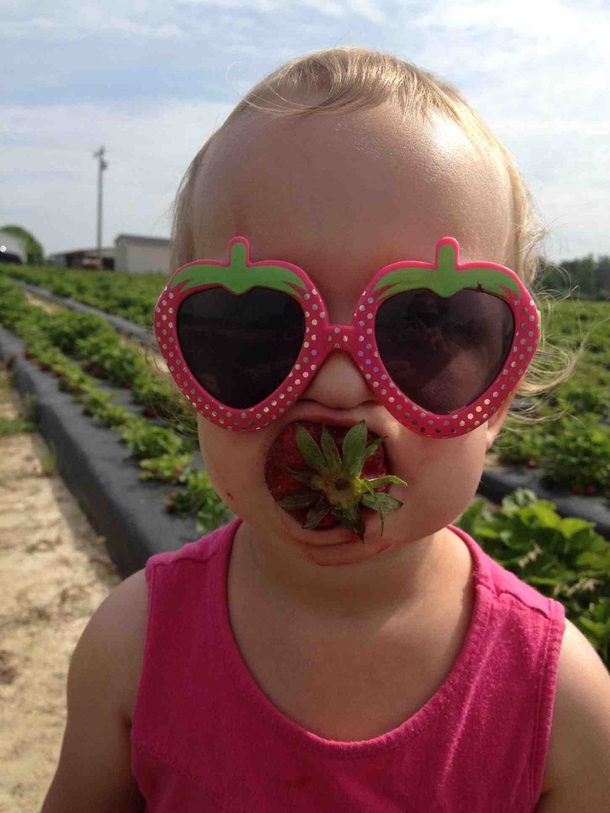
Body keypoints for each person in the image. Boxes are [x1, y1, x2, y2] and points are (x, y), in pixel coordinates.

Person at [41, 47, 610, 812]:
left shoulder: (563, 703)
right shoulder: (131, 650)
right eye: (258, 322)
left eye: (425, 326)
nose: (337, 385)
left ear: (502, 390)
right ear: (186, 370)